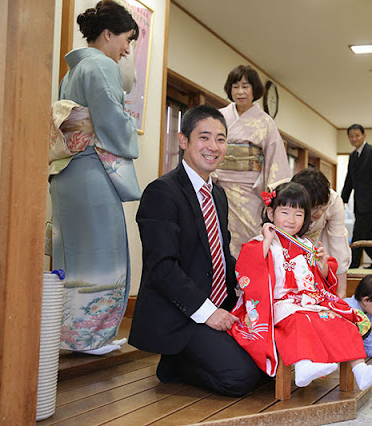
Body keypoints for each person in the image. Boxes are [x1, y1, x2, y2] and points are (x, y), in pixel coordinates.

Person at [128, 105, 263, 397]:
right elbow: (162, 267)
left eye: (221, 139)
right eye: (204, 137)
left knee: (268, 362)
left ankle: (190, 356)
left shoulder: (218, 194)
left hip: (218, 306)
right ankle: (174, 365)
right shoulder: (162, 192)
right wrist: (207, 313)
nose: (213, 147)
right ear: (184, 140)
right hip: (181, 314)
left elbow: (221, 256)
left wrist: (255, 283)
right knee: (241, 377)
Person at [228, 182, 372, 390]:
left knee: (341, 321)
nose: (291, 220)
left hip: (309, 300)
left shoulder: (306, 244)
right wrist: (267, 242)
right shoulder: (261, 241)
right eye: (285, 212)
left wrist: (323, 266)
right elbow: (248, 270)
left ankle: (360, 370)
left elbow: (317, 279)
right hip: (278, 303)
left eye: (298, 214)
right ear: (271, 213)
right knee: (300, 320)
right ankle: (304, 365)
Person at [50, 0, 141, 355]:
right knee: (103, 251)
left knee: (73, 252)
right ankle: (91, 336)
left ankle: (69, 334)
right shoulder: (102, 67)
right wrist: (127, 126)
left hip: (67, 172)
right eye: (126, 40)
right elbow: (112, 123)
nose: (126, 49)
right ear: (108, 34)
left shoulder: (72, 72)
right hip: (89, 169)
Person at [217, 65, 291, 258]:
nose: (240, 92)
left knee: (249, 237)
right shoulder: (219, 117)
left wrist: (273, 193)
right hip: (219, 185)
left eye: (245, 86)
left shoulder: (265, 122)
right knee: (218, 236)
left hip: (250, 191)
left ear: (254, 89)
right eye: (235, 86)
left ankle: (245, 284)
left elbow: (276, 160)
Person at [291, 167, 351, 298]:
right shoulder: (287, 199)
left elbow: (339, 244)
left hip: (317, 243)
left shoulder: (334, 201)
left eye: (322, 206)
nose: (318, 213)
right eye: (313, 208)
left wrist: (342, 292)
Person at [341, 124, 372, 269]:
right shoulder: (353, 155)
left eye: (357, 135)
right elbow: (349, 179)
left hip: (370, 201)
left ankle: (353, 263)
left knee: (358, 232)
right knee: (366, 233)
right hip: (358, 200)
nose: (354, 139)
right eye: (351, 136)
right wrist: (343, 198)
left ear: (364, 135)